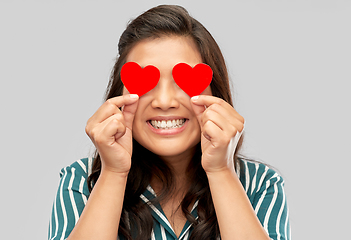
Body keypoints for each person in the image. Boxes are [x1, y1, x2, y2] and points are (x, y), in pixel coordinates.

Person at [48, 5, 290, 240]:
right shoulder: (82, 180)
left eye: (183, 81)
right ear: (119, 94)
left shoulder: (260, 184)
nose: (164, 102)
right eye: (147, 82)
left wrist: (220, 171)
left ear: (215, 93)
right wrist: (113, 173)